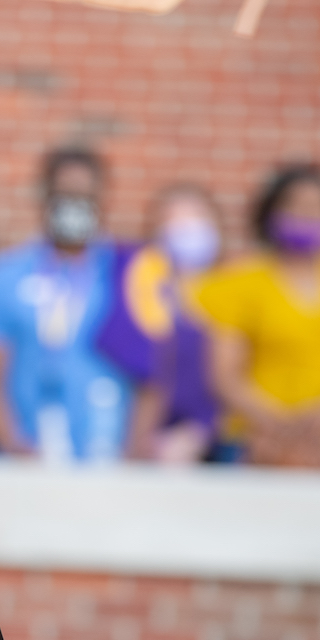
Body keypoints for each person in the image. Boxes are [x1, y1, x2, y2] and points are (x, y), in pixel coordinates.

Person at [0, 147, 132, 462]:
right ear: (45, 197)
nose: (75, 205)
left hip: (106, 457)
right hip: (25, 457)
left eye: (86, 195)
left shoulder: (128, 274)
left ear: (104, 199)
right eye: (65, 194)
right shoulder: (4, 274)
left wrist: (134, 452)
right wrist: (12, 445)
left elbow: (153, 373)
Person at [191, 165, 320, 468]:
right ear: (271, 212)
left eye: (319, 206)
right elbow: (225, 375)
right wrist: (278, 427)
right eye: (296, 205)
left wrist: (318, 421)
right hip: (253, 439)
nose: (308, 215)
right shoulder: (241, 281)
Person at [97, 184, 223, 463]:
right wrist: (140, 440)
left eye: (197, 218)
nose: (188, 229)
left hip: (206, 445)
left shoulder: (229, 291)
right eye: (175, 220)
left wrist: (202, 431)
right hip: (132, 440)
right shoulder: (135, 284)